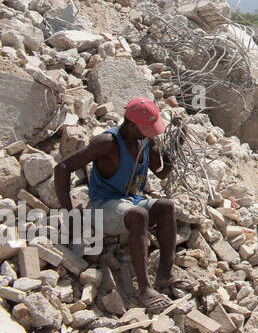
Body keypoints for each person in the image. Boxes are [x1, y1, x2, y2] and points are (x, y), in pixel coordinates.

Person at [53, 97, 186, 313]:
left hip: (131, 201)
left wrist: (176, 145)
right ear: (131, 125)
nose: (151, 133)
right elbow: (63, 168)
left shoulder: (145, 141)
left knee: (166, 207)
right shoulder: (107, 142)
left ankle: (165, 275)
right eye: (147, 129)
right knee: (138, 216)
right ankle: (144, 290)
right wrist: (70, 214)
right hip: (103, 206)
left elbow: (161, 171)